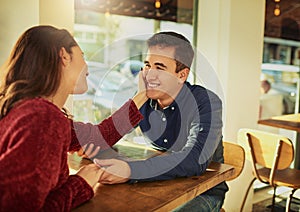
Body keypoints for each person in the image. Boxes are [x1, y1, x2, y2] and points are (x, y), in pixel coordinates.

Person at [0, 25, 147, 211]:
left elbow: (99, 136)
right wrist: (81, 182)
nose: (87, 68)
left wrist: (143, 95)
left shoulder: (31, 111)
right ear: (64, 56)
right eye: (83, 56)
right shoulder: (43, 118)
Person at [94, 31, 228, 211]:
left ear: (181, 75)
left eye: (160, 68)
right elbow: (107, 136)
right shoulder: (143, 98)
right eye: (147, 65)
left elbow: (195, 159)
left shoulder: (206, 102)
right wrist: (140, 97)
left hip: (201, 190)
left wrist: (131, 170)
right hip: (154, 184)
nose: (150, 75)